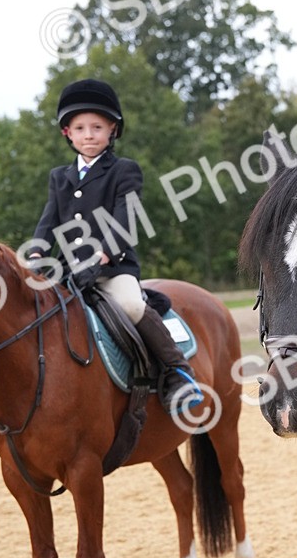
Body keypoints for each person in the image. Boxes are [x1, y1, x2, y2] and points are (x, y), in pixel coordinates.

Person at [27, 78, 203, 417]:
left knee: (131, 306)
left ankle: (177, 372)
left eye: (97, 127)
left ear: (112, 131)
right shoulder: (59, 177)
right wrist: (36, 255)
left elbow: (125, 221)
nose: (89, 135)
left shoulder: (124, 170)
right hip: (69, 271)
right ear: (67, 133)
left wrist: (101, 256)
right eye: (80, 128)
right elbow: (48, 221)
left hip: (112, 268)